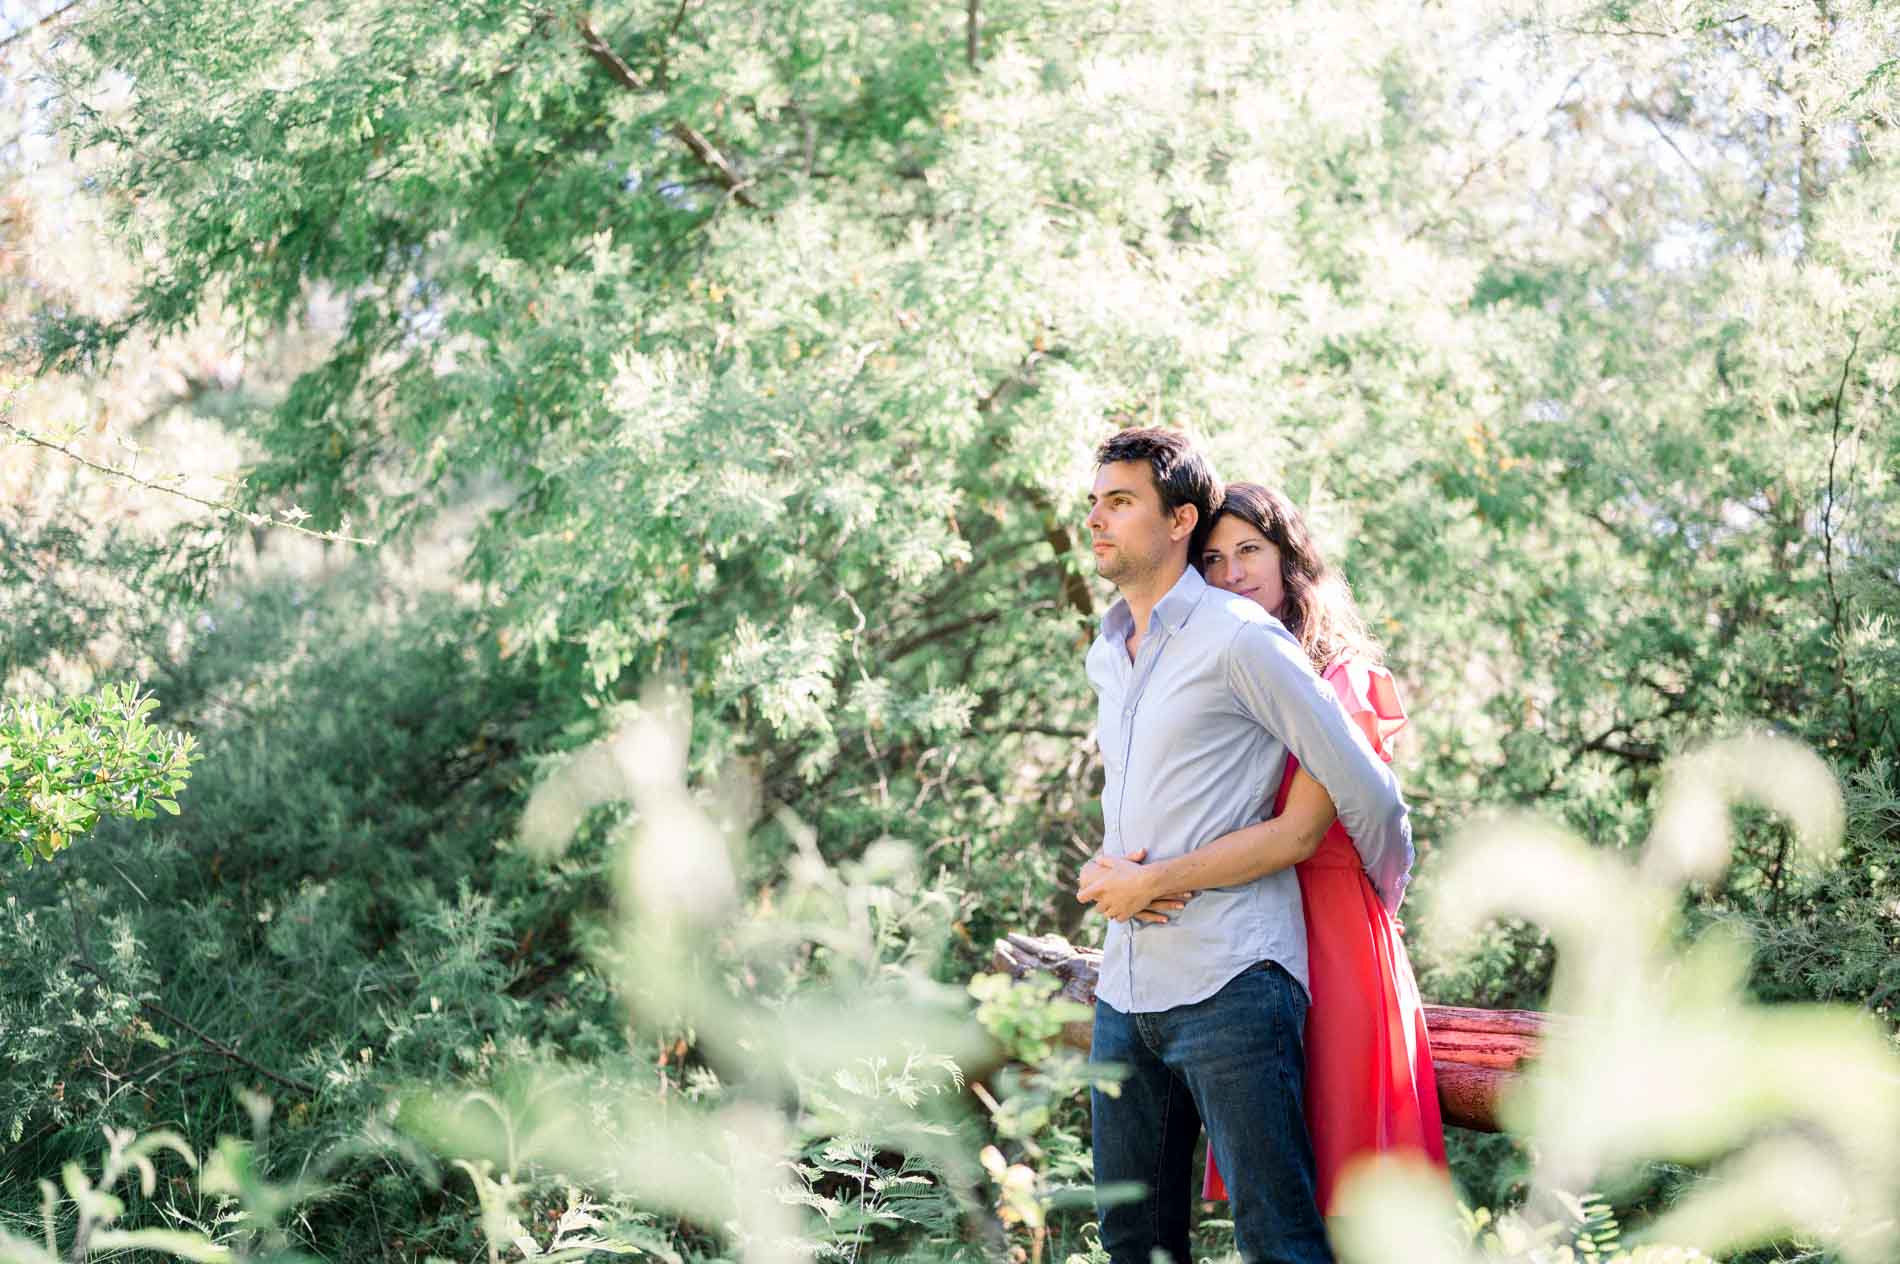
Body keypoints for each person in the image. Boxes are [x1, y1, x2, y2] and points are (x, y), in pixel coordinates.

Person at [1075, 429, 1412, 1264]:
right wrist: (1115, 868)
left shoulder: (1241, 638)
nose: (1097, 519)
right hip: (1123, 990)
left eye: (1120, 502)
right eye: (1095, 501)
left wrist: (1375, 909)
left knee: (1279, 1244)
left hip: (1233, 983)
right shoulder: (1106, 652)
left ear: (1180, 518)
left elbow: (1369, 794)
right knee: (1134, 1242)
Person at [1189, 481, 1447, 1213]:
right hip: (1252, 932)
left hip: (1334, 930)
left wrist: (1376, 907)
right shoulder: (1227, 673)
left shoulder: (1341, 675)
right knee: (1279, 1186)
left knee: (1350, 1177)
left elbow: (1361, 824)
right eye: (1213, 558)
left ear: (1288, 557)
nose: (1233, 572)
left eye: (1249, 550)